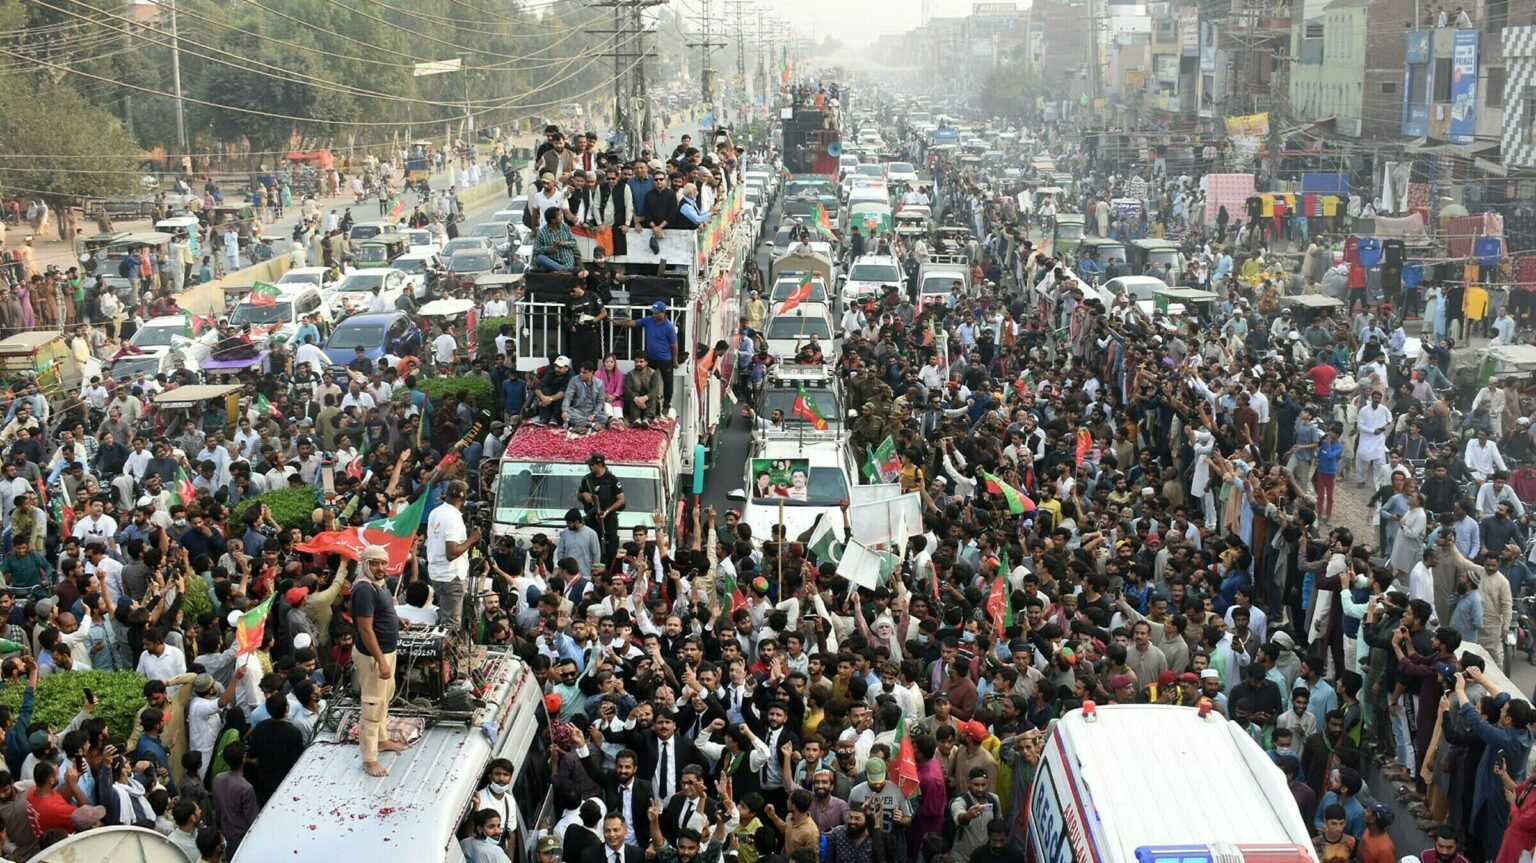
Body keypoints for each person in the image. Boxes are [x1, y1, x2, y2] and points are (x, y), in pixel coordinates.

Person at [351, 544, 404, 777]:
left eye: (383, 562)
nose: (381, 567)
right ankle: (369, 758)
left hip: (386, 652)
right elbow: (365, 630)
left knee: (384, 697)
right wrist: (381, 661)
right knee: (372, 705)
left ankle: (381, 740)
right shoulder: (363, 589)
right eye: (375, 563)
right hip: (374, 656)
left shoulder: (378, 584)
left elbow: (380, 614)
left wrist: (397, 620)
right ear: (366, 564)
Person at [427, 480, 480, 634]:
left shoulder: (435, 512)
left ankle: (445, 652)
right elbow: (451, 553)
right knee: (451, 623)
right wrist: (472, 539)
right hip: (451, 575)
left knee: (445, 617)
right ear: (463, 500)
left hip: (437, 573)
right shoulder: (453, 517)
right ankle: (446, 656)